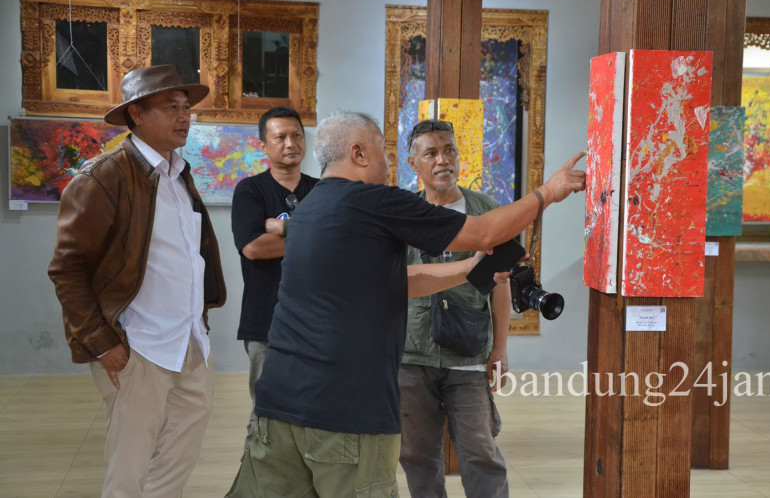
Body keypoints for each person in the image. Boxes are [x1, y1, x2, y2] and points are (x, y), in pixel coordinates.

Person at [226, 111, 585, 498]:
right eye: (384, 150)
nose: (389, 162)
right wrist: (549, 192)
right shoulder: (375, 201)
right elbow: (484, 231)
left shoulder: (309, 210)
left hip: (278, 407)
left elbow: (397, 282)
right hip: (345, 413)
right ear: (359, 153)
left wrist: (471, 268)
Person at [47, 64, 226, 498]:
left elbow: (186, 258)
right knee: (128, 469)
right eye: (170, 107)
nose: (184, 116)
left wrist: (198, 321)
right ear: (136, 115)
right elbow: (67, 268)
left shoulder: (178, 174)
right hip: (136, 344)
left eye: (186, 108)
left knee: (177, 462)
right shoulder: (104, 175)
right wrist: (100, 341)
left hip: (187, 340)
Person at [399, 119, 511, 497]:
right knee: (416, 455)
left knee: (481, 452)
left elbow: (501, 286)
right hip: (412, 356)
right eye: (430, 152)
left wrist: (500, 350)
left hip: (469, 353)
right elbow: (393, 283)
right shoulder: (402, 213)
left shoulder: (486, 212)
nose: (442, 160)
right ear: (413, 163)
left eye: (449, 150)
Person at [231, 106, 318, 450]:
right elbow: (252, 248)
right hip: (266, 320)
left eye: (296, 135)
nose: (290, 143)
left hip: (317, 321)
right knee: (267, 413)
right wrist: (312, 235)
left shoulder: (322, 190)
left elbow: (338, 240)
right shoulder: (250, 191)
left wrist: (282, 227)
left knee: (315, 410)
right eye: (279, 137)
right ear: (263, 145)